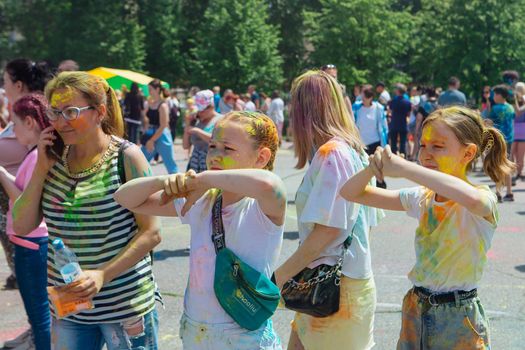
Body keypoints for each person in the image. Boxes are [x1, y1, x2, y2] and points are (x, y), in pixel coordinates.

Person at [340, 106, 513, 349]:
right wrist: (372, 167)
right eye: (422, 145)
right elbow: (351, 192)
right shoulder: (422, 197)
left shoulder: (481, 198)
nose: (426, 154)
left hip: (458, 317)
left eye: (438, 146)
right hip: (416, 308)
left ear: (468, 153)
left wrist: (404, 168)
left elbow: (474, 201)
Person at [12, 71, 161, 349]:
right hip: (71, 307)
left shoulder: (126, 158)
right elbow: (21, 226)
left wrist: (103, 274)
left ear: (99, 112)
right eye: (54, 112)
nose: (60, 122)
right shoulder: (52, 159)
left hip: (125, 306)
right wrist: (41, 170)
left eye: (71, 111)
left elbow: (151, 233)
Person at [114, 111, 285, 350]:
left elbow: (270, 184)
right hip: (196, 331)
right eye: (212, 146)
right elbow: (125, 198)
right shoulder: (203, 201)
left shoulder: (260, 206)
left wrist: (204, 179)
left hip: (243, 336)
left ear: (261, 157)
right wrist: (165, 181)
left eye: (227, 149)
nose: (215, 155)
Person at [274, 70, 381, 350]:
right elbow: (365, 223)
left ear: (303, 110)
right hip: (333, 283)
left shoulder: (332, 154)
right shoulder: (352, 150)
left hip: (334, 289)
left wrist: (281, 275)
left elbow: (330, 229)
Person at [0, 58, 53, 348]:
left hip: (31, 244)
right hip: (32, 243)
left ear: (30, 122)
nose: (13, 132)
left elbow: (24, 202)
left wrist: (2, 174)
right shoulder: (36, 155)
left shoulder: (35, 158)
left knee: (40, 315)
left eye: (16, 124)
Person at [352, 84, 388, 188]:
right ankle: (366, 186)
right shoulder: (356, 107)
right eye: (363, 96)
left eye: (367, 96)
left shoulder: (378, 108)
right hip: (361, 143)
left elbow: (384, 126)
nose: (364, 99)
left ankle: (380, 185)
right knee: (363, 167)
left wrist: (385, 142)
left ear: (371, 97)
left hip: (375, 141)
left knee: (377, 166)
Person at [141, 79, 178, 174]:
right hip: (151, 133)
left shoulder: (163, 105)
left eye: (151, 89)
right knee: (141, 162)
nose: (149, 92)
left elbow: (163, 125)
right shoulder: (151, 104)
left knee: (170, 164)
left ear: (157, 89)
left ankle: (179, 186)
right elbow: (146, 120)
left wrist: (151, 140)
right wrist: (145, 111)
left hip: (162, 136)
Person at [487, 85, 515, 201]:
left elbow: (490, 123)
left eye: (494, 94)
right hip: (509, 139)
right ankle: (509, 191)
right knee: (507, 164)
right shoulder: (510, 107)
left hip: (498, 139)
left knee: (497, 165)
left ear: (499, 95)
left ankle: (498, 192)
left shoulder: (495, 108)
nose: (493, 96)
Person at [184, 90, 222, 173]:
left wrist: (198, 131)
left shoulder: (221, 120)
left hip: (212, 165)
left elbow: (218, 142)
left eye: (202, 110)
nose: (199, 113)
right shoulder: (196, 121)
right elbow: (185, 146)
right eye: (198, 110)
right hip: (194, 164)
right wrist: (187, 125)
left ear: (211, 107)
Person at [414, 87, 438, 159]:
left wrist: (416, 130)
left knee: (424, 145)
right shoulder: (439, 104)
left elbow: (419, 118)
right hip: (437, 129)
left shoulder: (424, 105)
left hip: (426, 128)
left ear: (427, 95)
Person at [388, 83, 412, 156]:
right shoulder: (408, 102)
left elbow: (390, 111)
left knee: (393, 144)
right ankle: (403, 157)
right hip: (403, 123)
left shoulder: (393, 101)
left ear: (398, 91)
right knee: (403, 143)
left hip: (394, 123)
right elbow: (409, 113)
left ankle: (393, 158)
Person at [512, 82, 525, 183]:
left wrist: (515, 99)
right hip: (513, 128)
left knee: (520, 154)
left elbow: (518, 112)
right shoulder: (514, 100)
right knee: (514, 153)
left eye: (519, 89)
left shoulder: (524, 99)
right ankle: (517, 173)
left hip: (522, 129)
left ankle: (519, 173)